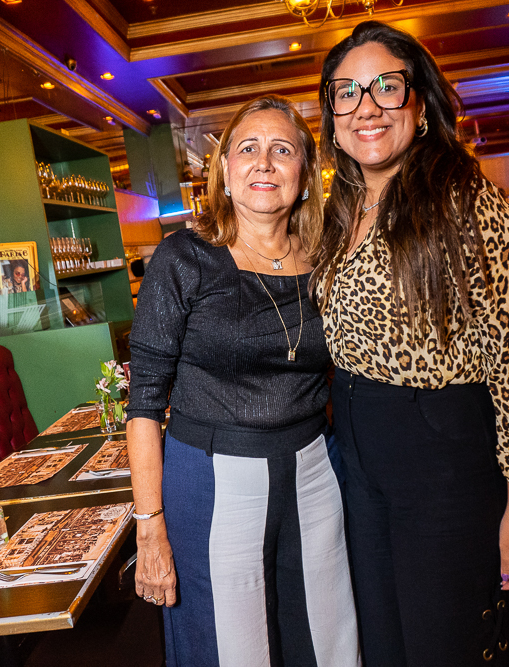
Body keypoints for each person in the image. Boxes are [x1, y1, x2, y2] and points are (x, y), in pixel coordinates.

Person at [311, 22, 509, 666]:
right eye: (347, 92)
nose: (366, 106)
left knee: (447, 642)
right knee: (386, 639)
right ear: (332, 119)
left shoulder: (466, 200)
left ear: (421, 103)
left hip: (439, 450)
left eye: (386, 87)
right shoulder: (339, 209)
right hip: (359, 443)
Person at [126, 95, 360, 667]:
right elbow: (145, 402)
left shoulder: (329, 259)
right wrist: (149, 528)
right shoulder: (184, 259)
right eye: (248, 148)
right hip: (213, 479)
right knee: (231, 647)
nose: (264, 162)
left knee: (326, 634)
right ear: (225, 172)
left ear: (304, 176)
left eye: (282, 150)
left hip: (314, 471)